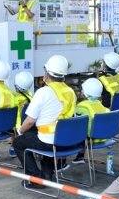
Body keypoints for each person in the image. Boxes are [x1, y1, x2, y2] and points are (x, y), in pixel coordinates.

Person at [13, 54, 76, 188]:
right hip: (69, 139)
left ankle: (37, 179)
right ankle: (47, 173)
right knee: (36, 137)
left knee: (19, 142)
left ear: (47, 73)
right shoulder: (70, 91)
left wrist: (19, 131)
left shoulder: (43, 92)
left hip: (51, 141)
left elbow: (30, 121)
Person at [71, 78, 108, 164]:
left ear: (85, 92)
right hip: (103, 137)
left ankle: (61, 163)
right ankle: (80, 157)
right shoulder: (102, 106)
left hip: (89, 139)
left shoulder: (82, 107)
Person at [9, 71, 34, 158]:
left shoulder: (14, 97)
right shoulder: (30, 95)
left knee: (11, 126)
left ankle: (13, 147)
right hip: (28, 123)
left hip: (18, 124)